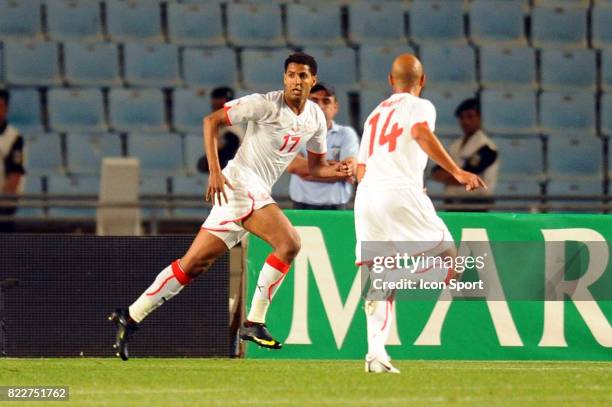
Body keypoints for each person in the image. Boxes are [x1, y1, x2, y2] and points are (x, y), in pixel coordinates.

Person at [110, 53, 353, 360]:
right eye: (291, 75)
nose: (296, 81)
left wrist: (339, 171)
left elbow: (317, 167)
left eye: (303, 76)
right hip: (238, 183)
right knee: (289, 243)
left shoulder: (315, 117)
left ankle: (130, 316)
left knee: (192, 265)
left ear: (312, 81)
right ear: (284, 77)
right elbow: (211, 121)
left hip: (247, 194)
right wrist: (214, 171)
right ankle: (253, 322)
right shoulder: (265, 104)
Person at [355, 54, 486, 373]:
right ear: (422, 80)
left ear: (390, 80)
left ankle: (376, 355)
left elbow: (360, 169)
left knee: (380, 278)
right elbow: (420, 134)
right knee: (453, 262)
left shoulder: (374, 115)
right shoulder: (421, 106)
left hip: (367, 194)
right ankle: (398, 275)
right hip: (400, 192)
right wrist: (456, 171)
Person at [286, 83, 358, 210]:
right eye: (314, 100)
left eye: (326, 101)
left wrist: (308, 170)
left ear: (335, 107)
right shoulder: (293, 131)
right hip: (301, 208)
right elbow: (293, 166)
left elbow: (349, 170)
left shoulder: (346, 134)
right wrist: (334, 168)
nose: (320, 106)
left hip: (336, 208)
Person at [430, 98, 498, 210]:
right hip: (452, 204)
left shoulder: (487, 147)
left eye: (470, 116)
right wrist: (454, 175)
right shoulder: (455, 145)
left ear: (479, 118)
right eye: (462, 117)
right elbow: (435, 172)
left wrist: (449, 175)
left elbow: (468, 177)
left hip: (476, 205)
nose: (465, 121)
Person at [197, 86, 244, 173]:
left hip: (233, 172)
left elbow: (229, 152)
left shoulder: (231, 128)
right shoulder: (221, 125)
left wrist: (209, 164)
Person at [0, 89, 26, 233]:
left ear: (6, 108)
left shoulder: (14, 138)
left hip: (3, 207)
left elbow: (15, 175)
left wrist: (4, 205)